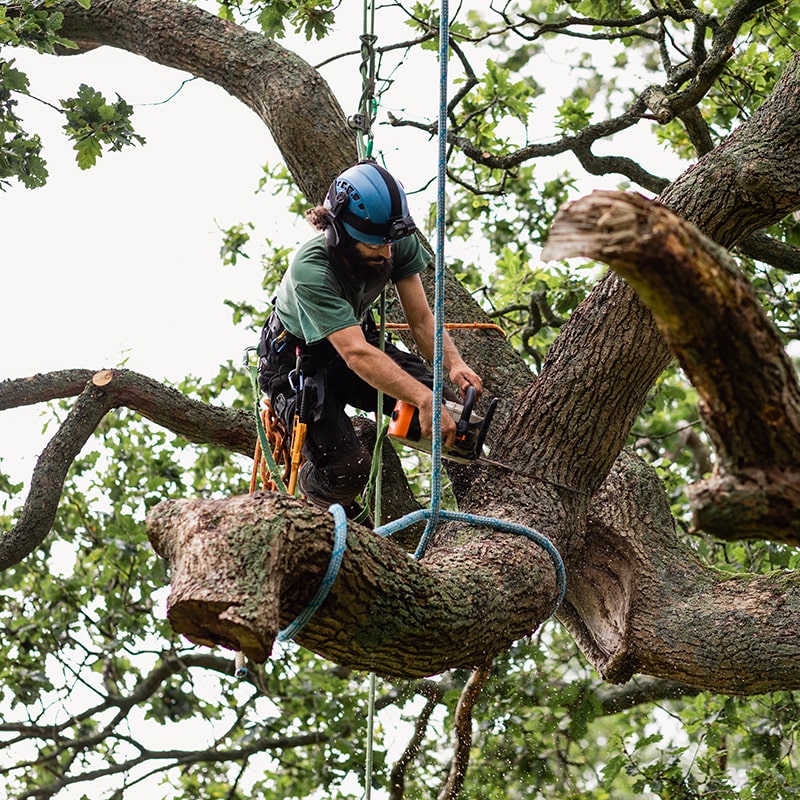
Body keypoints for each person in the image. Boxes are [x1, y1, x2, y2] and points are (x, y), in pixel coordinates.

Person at [258, 159, 482, 516]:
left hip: (355, 344)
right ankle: (315, 489)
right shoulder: (311, 270)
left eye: (390, 243)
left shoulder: (390, 238)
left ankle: (479, 500)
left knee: (450, 411)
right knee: (347, 469)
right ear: (338, 234)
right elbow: (357, 355)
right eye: (375, 245)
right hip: (299, 365)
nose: (387, 253)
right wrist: (421, 398)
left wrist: (453, 364)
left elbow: (421, 320)